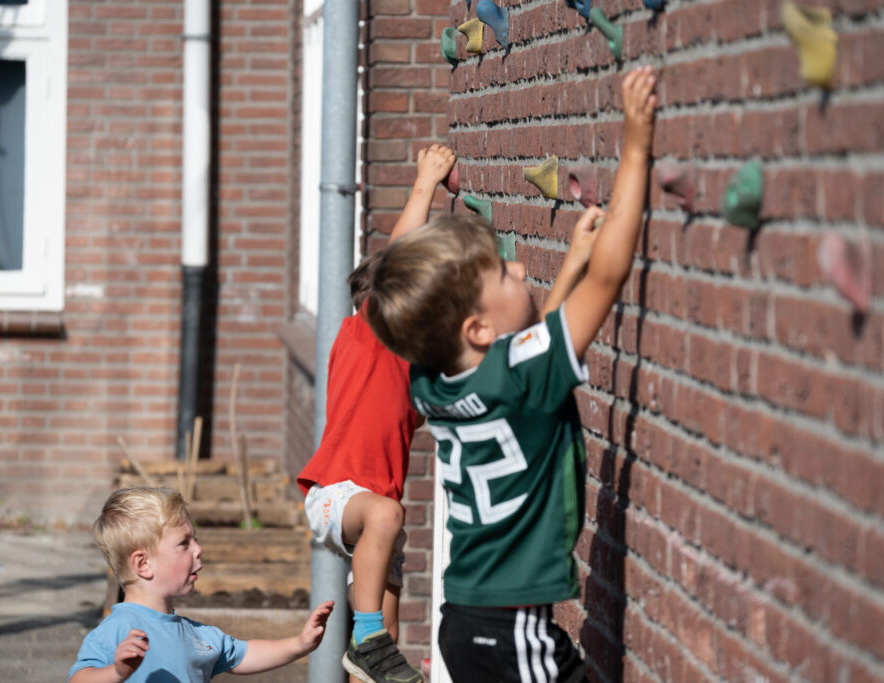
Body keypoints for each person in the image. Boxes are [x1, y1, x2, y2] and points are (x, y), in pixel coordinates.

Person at [364, 67, 657, 682]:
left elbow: (530, 367)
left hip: (466, 619)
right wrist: (636, 140)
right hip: (511, 631)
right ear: (476, 331)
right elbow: (611, 277)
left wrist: (570, 263)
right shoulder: (518, 375)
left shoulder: (433, 381)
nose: (521, 270)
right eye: (503, 274)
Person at [297, 143, 455, 683]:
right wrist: (426, 182)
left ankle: (369, 649)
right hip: (337, 494)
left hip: (374, 513)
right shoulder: (367, 334)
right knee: (388, 518)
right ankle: (365, 638)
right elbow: (399, 260)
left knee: (381, 652)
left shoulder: (412, 371)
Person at [69, 487, 334, 682]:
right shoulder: (119, 629)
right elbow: (80, 679)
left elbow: (244, 653)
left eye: (195, 540)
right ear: (143, 564)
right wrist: (116, 672)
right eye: (184, 543)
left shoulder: (197, 636)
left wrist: (300, 644)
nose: (198, 549)